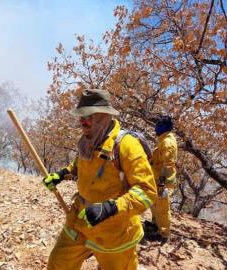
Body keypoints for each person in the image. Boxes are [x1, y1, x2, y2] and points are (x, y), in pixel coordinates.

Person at [42, 89, 157, 270]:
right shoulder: (89, 139)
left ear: (104, 115)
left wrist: (109, 208)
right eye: (80, 115)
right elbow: (81, 165)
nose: (81, 120)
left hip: (114, 232)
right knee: (58, 264)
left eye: (87, 115)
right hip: (79, 222)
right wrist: (62, 174)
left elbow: (146, 192)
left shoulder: (127, 145)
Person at [148, 115, 178, 242]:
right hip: (157, 178)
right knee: (155, 205)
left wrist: (161, 183)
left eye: (159, 125)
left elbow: (168, 165)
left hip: (163, 182)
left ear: (164, 127)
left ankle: (163, 234)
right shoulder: (163, 139)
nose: (156, 127)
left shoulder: (168, 143)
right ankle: (155, 226)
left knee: (162, 208)